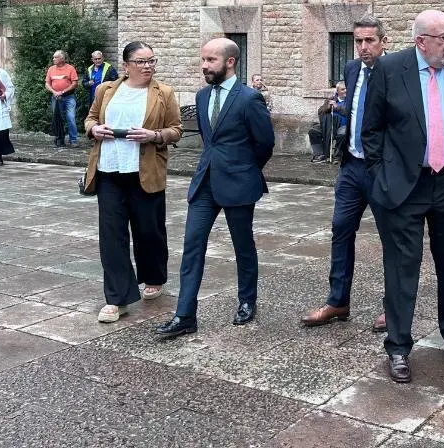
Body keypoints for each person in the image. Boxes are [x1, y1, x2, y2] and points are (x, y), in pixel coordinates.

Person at [362, 10, 444, 384]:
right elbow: (370, 131)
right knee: (402, 267)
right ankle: (399, 346)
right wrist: (380, 176)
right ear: (421, 41)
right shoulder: (390, 69)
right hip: (405, 185)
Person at [156, 38, 274, 339]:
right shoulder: (201, 96)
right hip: (205, 183)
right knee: (192, 246)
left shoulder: (249, 99)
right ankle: (185, 315)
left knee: (242, 246)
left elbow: (265, 143)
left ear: (230, 62)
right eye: (203, 60)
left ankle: (247, 301)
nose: (205, 66)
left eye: (211, 60)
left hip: (238, 184)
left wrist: (245, 170)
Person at [85, 41, 183, 323]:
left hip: (145, 171)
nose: (148, 66)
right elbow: (90, 119)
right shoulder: (106, 90)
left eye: (151, 61)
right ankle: (117, 298)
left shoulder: (163, 93)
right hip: (109, 171)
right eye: (141, 62)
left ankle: (153, 275)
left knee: (149, 231)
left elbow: (176, 130)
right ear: (126, 66)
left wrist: (154, 136)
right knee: (111, 236)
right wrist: (95, 129)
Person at [302, 16, 388, 332]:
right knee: (340, 230)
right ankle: (338, 301)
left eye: (370, 41)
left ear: (383, 41)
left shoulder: (395, 72)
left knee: (391, 239)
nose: (364, 47)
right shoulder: (352, 70)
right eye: (359, 41)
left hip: (381, 170)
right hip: (351, 167)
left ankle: (392, 308)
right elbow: (353, 108)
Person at [46, 50, 79, 147]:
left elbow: (75, 83)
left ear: (62, 58)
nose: (53, 59)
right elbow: (47, 84)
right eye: (53, 57)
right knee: (57, 119)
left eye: (55, 57)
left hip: (68, 97)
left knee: (71, 118)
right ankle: (60, 139)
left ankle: (73, 140)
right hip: (55, 98)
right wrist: (54, 92)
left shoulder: (70, 68)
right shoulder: (51, 69)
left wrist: (63, 92)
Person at [308, 82, 347, 163]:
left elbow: (348, 112)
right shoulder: (330, 100)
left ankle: (337, 157)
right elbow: (320, 112)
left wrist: (337, 107)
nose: (345, 91)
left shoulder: (350, 101)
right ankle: (320, 154)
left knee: (343, 134)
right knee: (313, 131)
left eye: (347, 89)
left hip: (343, 125)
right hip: (329, 125)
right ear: (337, 91)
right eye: (343, 89)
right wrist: (327, 108)